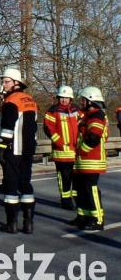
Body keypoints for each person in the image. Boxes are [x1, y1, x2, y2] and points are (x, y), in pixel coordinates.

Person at [0, 67, 38, 234]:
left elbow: (7, 128)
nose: (3, 84)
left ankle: (11, 224)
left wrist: (0, 148)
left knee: (11, 186)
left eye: (6, 81)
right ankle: (28, 224)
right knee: (25, 184)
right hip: (28, 150)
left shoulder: (11, 101)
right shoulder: (31, 100)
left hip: (13, 150)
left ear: (15, 83)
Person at [70, 87, 108, 231]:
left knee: (91, 189)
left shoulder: (96, 115)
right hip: (83, 160)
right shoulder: (88, 115)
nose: (81, 102)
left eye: (83, 100)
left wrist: (81, 151)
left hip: (91, 159)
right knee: (81, 189)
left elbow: (94, 138)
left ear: (90, 100)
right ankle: (84, 217)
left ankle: (98, 219)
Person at [43, 85, 81, 210]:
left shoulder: (76, 110)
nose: (64, 100)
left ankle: (76, 198)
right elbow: (48, 128)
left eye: (66, 98)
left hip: (75, 150)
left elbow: (83, 123)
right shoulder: (53, 110)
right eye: (62, 97)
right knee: (64, 176)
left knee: (76, 176)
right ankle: (65, 199)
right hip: (62, 151)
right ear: (58, 98)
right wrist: (60, 143)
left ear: (71, 99)